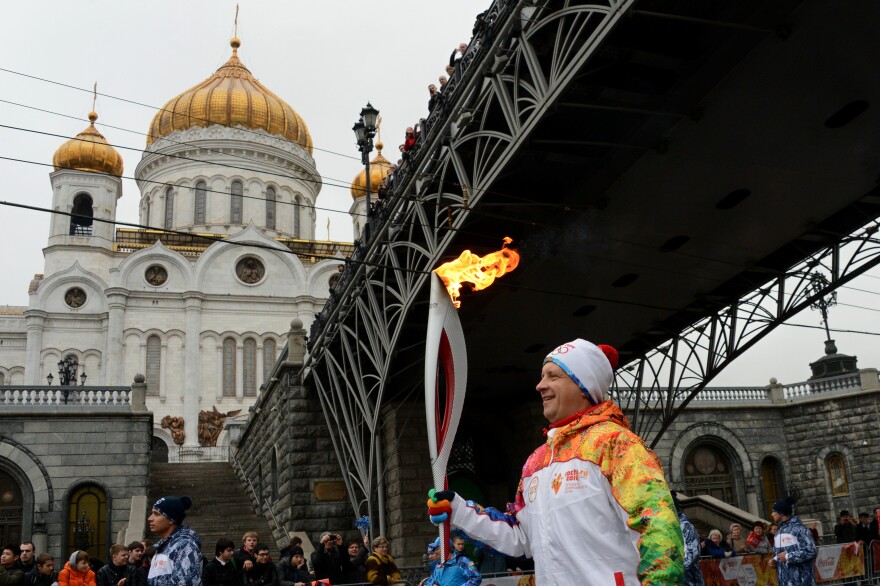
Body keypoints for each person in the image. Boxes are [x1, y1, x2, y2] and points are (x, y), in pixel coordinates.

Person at [427, 339, 684, 584]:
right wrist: (458, 510)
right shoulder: (536, 462)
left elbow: (658, 529)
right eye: (542, 376)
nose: (540, 385)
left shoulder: (617, 446)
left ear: (582, 386)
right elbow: (521, 537)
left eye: (553, 376)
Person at [147, 495, 202, 586]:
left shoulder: (185, 546)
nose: (150, 518)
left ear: (171, 519)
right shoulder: (162, 547)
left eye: (156, 514)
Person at [769, 496, 816, 586]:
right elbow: (779, 554)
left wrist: (788, 557)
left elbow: (811, 551)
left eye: (774, 511)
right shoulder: (778, 532)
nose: (772, 514)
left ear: (781, 513)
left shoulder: (800, 529)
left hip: (802, 582)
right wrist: (775, 561)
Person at [671, 493, 704, 586]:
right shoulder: (666, 527)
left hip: (688, 580)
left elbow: (693, 553)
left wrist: (674, 569)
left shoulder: (685, 526)